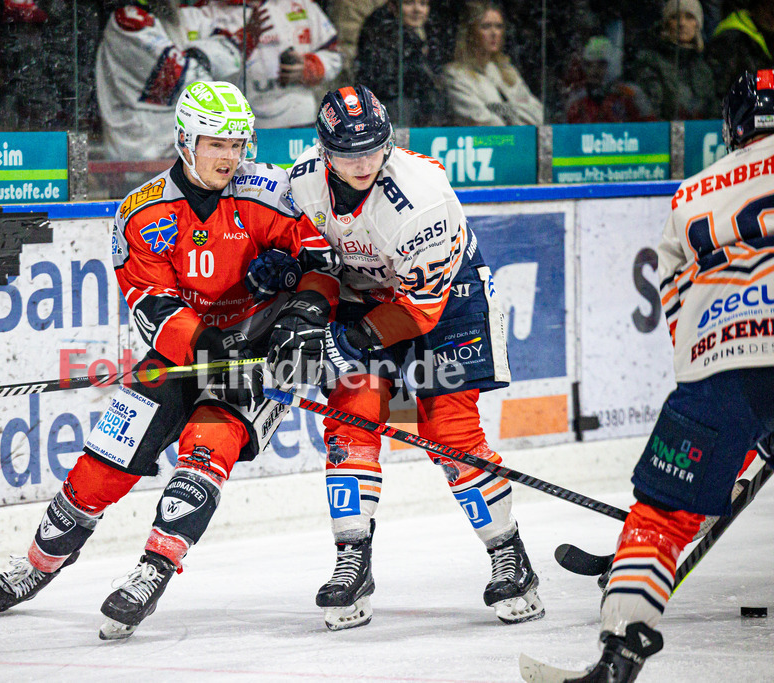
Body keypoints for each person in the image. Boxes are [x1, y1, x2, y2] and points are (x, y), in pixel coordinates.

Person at [0, 80, 341, 640]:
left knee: (204, 453)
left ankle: (152, 569)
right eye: (217, 144)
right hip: (180, 356)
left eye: (239, 145)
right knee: (105, 463)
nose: (230, 157)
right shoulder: (141, 213)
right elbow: (152, 304)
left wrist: (302, 310)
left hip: (257, 359)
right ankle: (39, 564)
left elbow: (320, 260)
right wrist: (208, 348)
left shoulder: (271, 194)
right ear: (186, 142)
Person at [267, 84, 543, 630]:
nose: (363, 162)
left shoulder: (422, 196)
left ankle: (510, 556)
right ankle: (353, 561)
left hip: (447, 299)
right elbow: (313, 257)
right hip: (362, 292)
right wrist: (289, 271)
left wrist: (344, 344)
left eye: (373, 148)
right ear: (324, 150)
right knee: (353, 415)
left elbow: (418, 312)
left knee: (450, 428)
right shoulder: (301, 182)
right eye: (348, 152)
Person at [534, 69, 774, 683]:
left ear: (733, 125)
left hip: (723, 369)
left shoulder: (693, 193)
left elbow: (678, 314)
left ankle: (618, 656)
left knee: (661, 517)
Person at [94, 1, 253, 160]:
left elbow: (224, 79)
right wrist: (231, 46)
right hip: (137, 156)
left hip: (180, 149)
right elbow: (194, 83)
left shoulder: (182, 18)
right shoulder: (127, 21)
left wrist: (213, 53)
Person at [204, 0, 342, 129]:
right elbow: (196, 72)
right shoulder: (205, 11)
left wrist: (311, 67)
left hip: (300, 121)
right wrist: (240, 43)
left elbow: (335, 55)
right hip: (235, 125)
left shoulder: (302, 4)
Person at [443, 1, 543, 127]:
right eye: (486, 26)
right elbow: (484, 121)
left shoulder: (505, 70)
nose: (494, 33)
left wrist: (496, 108)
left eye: (498, 26)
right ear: (471, 32)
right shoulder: (456, 75)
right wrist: (516, 112)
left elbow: (538, 114)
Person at [354, 0, 450, 126]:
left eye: (423, 3)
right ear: (393, 6)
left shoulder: (428, 33)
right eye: (409, 3)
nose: (418, 10)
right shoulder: (382, 36)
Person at [629, 0, 718, 121]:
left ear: (697, 24)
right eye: (675, 17)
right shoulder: (649, 62)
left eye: (689, 17)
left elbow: (713, 111)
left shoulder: (703, 67)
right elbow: (651, 113)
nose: (682, 23)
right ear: (666, 24)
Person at [564, 36, 654, 123]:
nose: (593, 71)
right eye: (589, 65)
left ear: (612, 66)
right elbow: (566, 135)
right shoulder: (576, 102)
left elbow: (651, 130)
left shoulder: (631, 95)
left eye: (601, 64)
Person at [706, 1, 774, 98]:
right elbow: (720, 89)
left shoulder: (766, 36)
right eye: (771, 12)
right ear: (759, 6)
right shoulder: (731, 38)